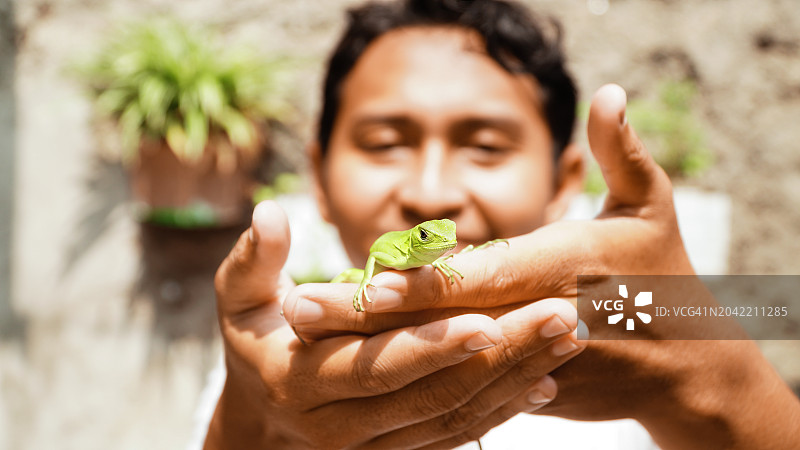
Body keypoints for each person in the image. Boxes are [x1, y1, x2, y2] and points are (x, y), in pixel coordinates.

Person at [202, 0, 800, 448]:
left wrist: (717, 379)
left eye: (485, 146)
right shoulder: (283, 358)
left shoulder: (621, 317)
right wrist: (251, 420)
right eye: (384, 142)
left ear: (566, 182)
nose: (431, 192)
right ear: (319, 177)